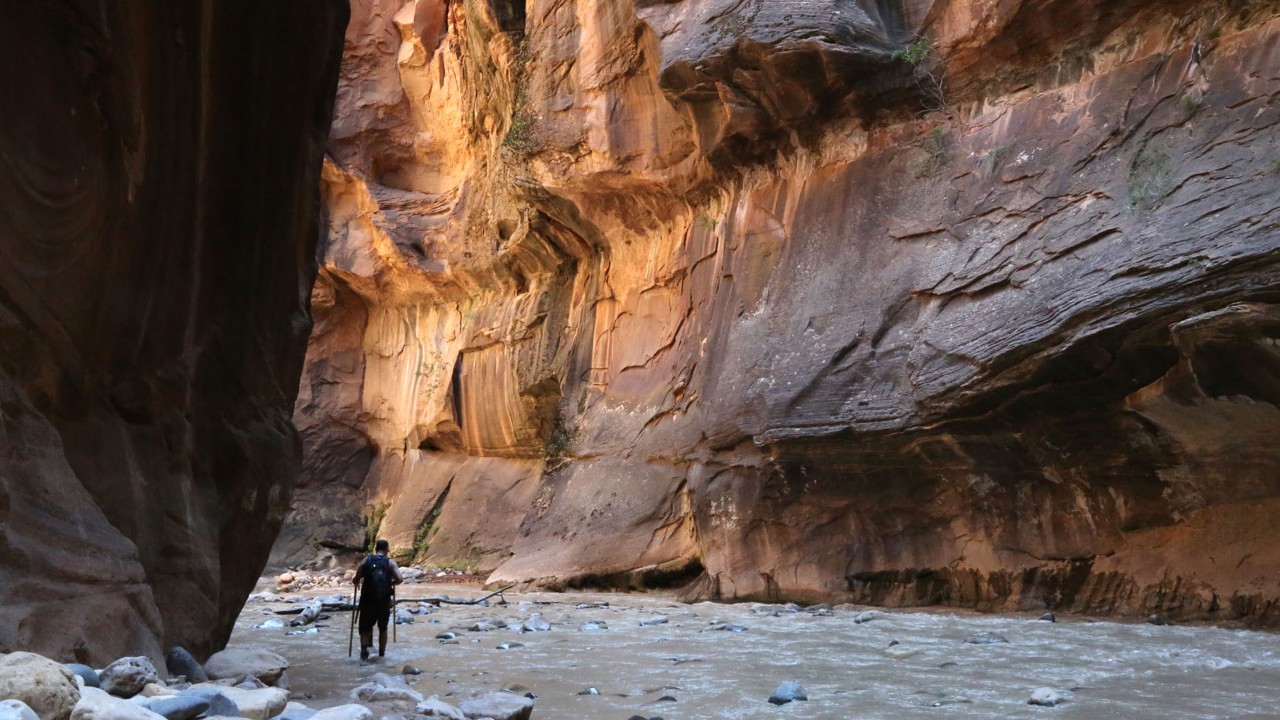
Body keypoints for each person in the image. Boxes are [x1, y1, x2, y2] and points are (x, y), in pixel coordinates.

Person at [354, 539, 404, 660]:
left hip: (367, 602)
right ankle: (381, 654)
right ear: (387, 549)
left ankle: (364, 650)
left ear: (376, 549)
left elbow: (355, 579)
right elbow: (400, 579)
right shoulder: (390, 563)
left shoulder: (366, 561)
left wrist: (358, 581)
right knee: (383, 628)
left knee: (365, 628)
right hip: (383, 602)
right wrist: (391, 583)